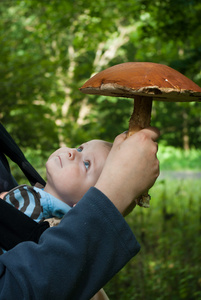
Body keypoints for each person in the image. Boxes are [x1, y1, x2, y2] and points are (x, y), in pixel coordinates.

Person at [0, 128, 160, 300]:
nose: (71, 154)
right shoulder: (35, 197)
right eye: (79, 149)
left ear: (83, 205)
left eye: (86, 164)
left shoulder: (53, 227)